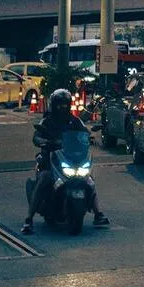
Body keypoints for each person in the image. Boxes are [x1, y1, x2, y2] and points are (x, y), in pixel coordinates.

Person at [22, 89, 109, 234]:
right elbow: (37, 136)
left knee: (89, 180)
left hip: (71, 157)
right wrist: (43, 141)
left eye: (65, 104)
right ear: (54, 105)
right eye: (59, 104)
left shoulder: (74, 120)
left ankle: (98, 213)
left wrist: (90, 136)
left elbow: (84, 131)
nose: (62, 107)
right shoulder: (47, 121)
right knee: (44, 178)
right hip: (51, 158)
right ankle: (29, 219)